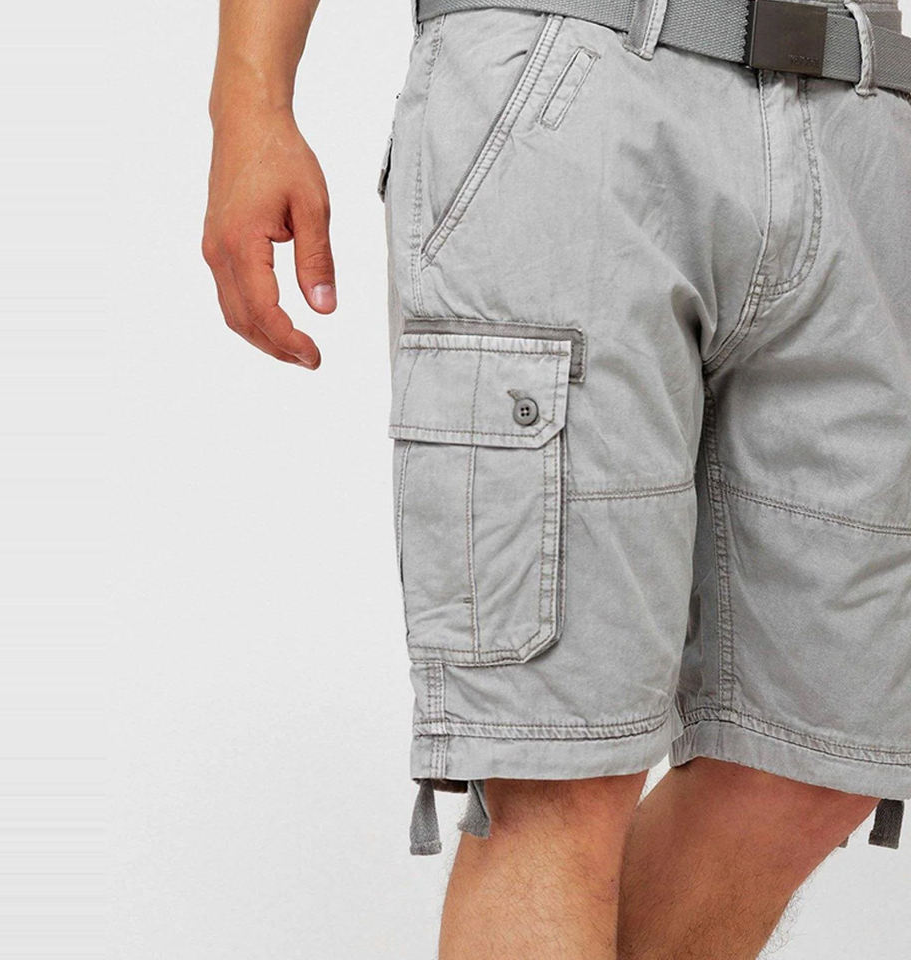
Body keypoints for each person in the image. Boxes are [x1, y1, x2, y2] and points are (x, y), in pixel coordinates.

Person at [203, 0, 911, 956]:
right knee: (556, 774)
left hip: (861, 102)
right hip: (573, 79)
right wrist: (250, 99)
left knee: (813, 758)